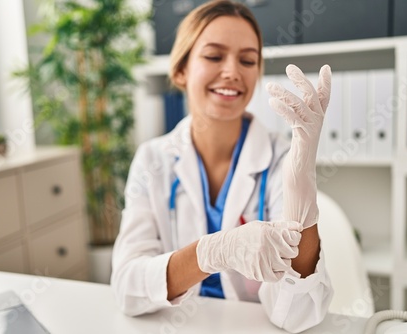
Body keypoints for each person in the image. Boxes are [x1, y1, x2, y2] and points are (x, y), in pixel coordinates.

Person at [111, 1, 333, 332]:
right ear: (181, 70)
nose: (232, 71)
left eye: (247, 60)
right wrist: (211, 252)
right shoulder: (152, 159)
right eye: (214, 56)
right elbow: (127, 290)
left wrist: (304, 200)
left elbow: (298, 315)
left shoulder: (280, 157)